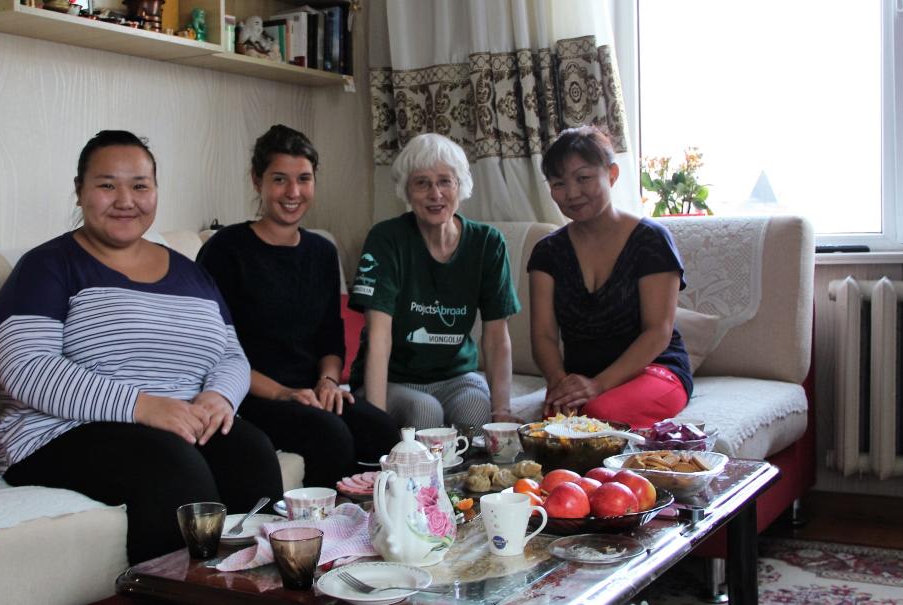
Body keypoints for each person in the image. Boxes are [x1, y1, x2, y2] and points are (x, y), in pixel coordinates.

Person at [0, 130, 283, 565]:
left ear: (155, 191)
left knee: (250, 451)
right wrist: (142, 406)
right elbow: (26, 367)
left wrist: (219, 396)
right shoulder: (48, 266)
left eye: (140, 186)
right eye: (107, 185)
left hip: (179, 422)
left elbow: (230, 353)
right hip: (62, 433)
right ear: (80, 191)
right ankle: (176, 594)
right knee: (171, 468)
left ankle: (252, 589)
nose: (125, 199)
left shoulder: (191, 274)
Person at [197, 124, 399, 488]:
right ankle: (325, 534)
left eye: (303, 179)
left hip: (309, 391)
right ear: (257, 180)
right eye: (279, 179)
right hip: (251, 394)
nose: (293, 192)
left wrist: (327, 382)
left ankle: (378, 528)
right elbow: (212, 350)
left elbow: (330, 337)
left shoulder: (321, 251)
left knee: (383, 430)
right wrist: (283, 392)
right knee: (330, 435)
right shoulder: (226, 249)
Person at [348, 133, 521, 430]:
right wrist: (374, 420)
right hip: (395, 379)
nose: (435, 194)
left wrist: (502, 410)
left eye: (445, 181)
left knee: (476, 416)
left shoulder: (487, 243)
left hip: (457, 376)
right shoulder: (386, 239)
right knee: (425, 413)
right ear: (407, 190)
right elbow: (379, 336)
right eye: (422, 183)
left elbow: (496, 335)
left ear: (460, 185)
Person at [527, 125, 692, 428]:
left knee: (598, 417)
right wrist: (559, 383)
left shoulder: (651, 240)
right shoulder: (546, 252)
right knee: (554, 423)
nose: (572, 193)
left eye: (584, 178)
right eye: (558, 183)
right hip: (581, 378)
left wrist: (598, 385)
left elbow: (658, 331)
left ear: (612, 174)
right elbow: (543, 336)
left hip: (654, 370)